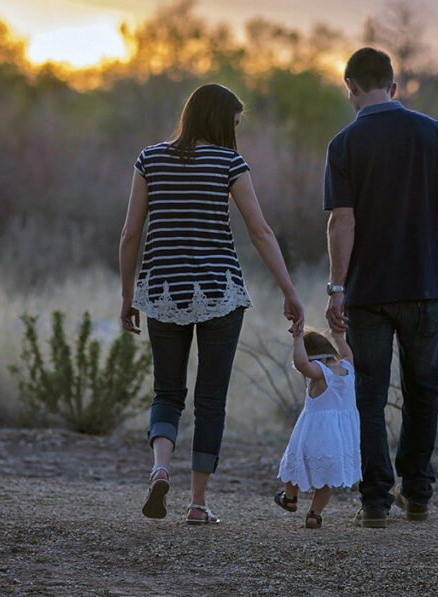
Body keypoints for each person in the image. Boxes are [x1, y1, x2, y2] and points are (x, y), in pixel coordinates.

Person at [119, 83, 304, 525]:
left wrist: (128, 297)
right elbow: (260, 232)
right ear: (221, 121)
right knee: (211, 400)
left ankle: (161, 467)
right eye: (234, 123)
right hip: (220, 292)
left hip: (162, 291)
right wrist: (289, 291)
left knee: (167, 391)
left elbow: (130, 234)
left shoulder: (150, 159)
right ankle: (198, 504)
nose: (235, 132)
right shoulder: (229, 163)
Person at [322, 48, 438, 528]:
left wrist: (336, 287)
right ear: (394, 85)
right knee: (423, 390)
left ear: (350, 87)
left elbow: (341, 222)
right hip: (424, 286)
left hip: (368, 293)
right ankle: (418, 493)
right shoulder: (432, 132)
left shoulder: (344, 144)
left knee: (368, 395)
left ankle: (374, 502)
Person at [274, 326, 361, 528]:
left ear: (313, 357)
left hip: (313, 433)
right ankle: (314, 514)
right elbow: (347, 353)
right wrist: (338, 336)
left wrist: (297, 340)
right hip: (339, 438)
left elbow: (302, 364)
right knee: (326, 479)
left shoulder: (320, 373)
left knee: (293, 464)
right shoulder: (347, 368)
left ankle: (290, 498)